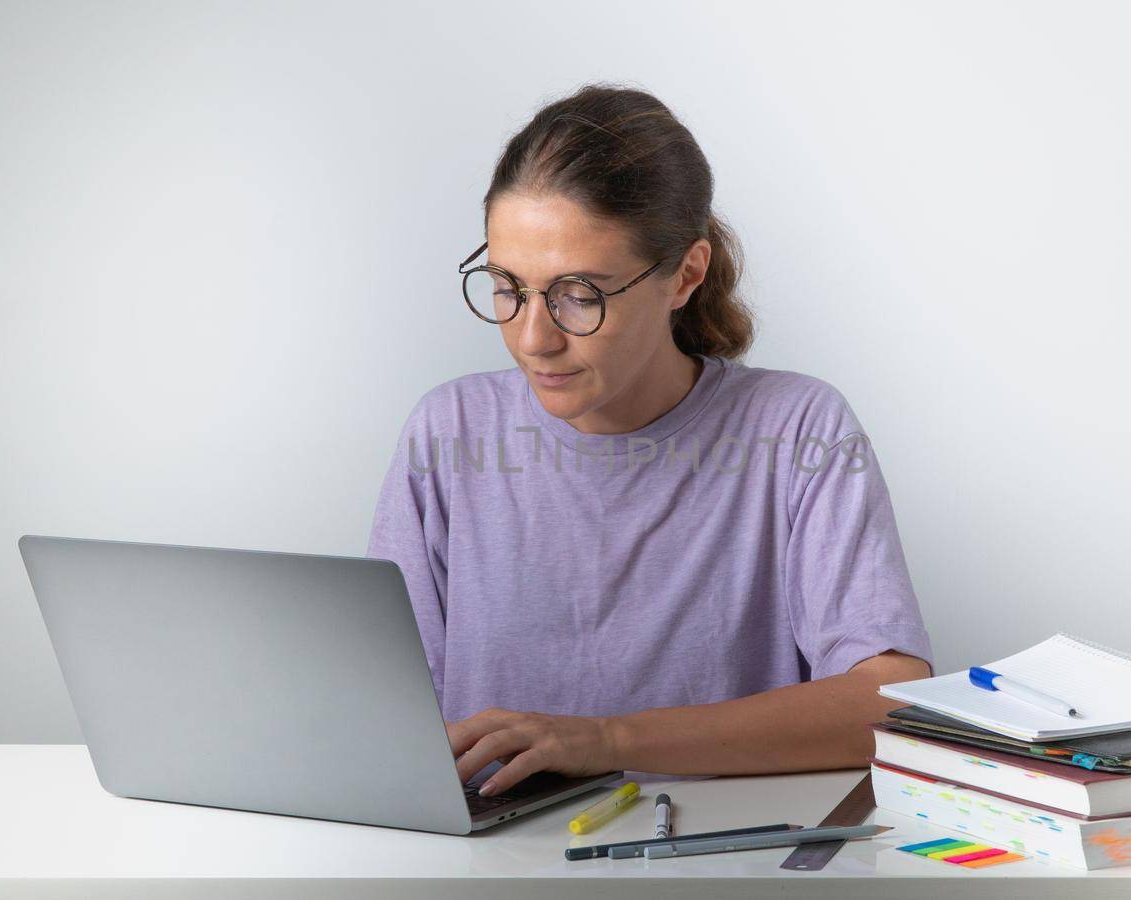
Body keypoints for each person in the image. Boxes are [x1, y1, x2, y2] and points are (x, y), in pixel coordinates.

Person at [368, 83, 932, 799]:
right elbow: (379, 711)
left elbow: (890, 702)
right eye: (507, 286)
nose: (533, 338)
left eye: (580, 293)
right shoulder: (447, 431)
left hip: (716, 856)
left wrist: (606, 742)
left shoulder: (797, 430)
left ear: (685, 277)